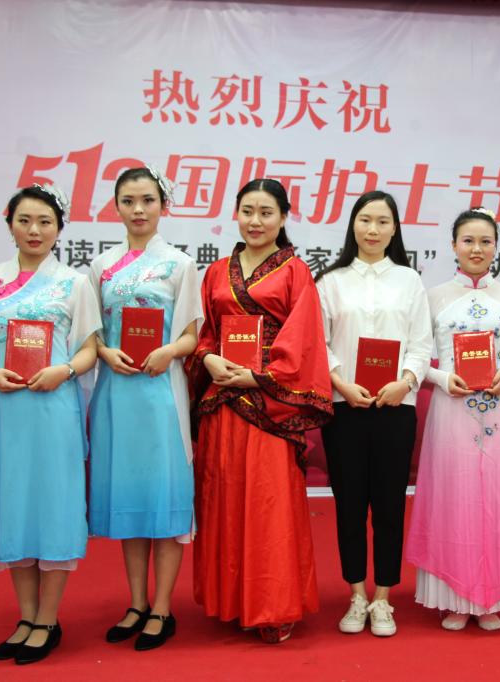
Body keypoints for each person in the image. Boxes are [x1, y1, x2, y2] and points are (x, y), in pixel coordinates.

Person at [0, 185, 100, 665]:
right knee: (14, 505)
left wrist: (66, 370)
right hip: (3, 411)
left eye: (45, 222)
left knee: (53, 506)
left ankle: (48, 619)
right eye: (25, 221)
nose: (34, 230)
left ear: (59, 228)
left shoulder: (74, 284)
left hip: (53, 409)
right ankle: (26, 615)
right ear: (10, 224)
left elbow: (88, 349)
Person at [187, 178, 333, 644]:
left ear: (283, 218)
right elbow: (205, 332)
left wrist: (259, 376)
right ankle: (232, 600)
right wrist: (208, 359)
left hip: (269, 405)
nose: (255, 221)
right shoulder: (216, 272)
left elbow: (303, 340)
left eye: (266, 212)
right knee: (225, 500)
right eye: (247, 211)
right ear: (236, 213)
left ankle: (272, 606)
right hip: (222, 404)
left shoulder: (295, 271)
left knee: (268, 505)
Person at [405, 207, 500, 632]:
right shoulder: (434, 296)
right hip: (452, 410)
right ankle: (455, 598)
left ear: (496, 247)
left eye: (485, 242)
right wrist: (443, 379)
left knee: (497, 498)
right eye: (468, 241)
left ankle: (492, 597)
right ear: (453, 246)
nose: (477, 249)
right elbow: (416, 358)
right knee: (454, 497)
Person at [88, 166, 202, 650]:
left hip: (162, 394)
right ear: (116, 206)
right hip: (117, 393)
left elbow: (192, 335)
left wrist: (169, 351)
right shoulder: (100, 266)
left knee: (165, 499)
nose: (138, 210)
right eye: (129, 201)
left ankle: (162, 607)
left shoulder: (180, 264)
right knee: (130, 501)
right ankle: (136, 603)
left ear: (163, 205)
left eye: (148, 200)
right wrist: (104, 352)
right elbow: (90, 334)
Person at [315, 191, 432, 637]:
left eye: (383, 222)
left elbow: (421, 342)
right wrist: (340, 383)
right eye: (365, 220)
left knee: (388, 506)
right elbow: (319, 342)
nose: (373, 229)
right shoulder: (331, 281)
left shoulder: (409, 280)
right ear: (353, 225)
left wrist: (406, 380)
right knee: (348, 505)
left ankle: (383, 597)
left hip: (395, 407)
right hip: (345, 406)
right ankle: (356, 595)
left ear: (394, 229)